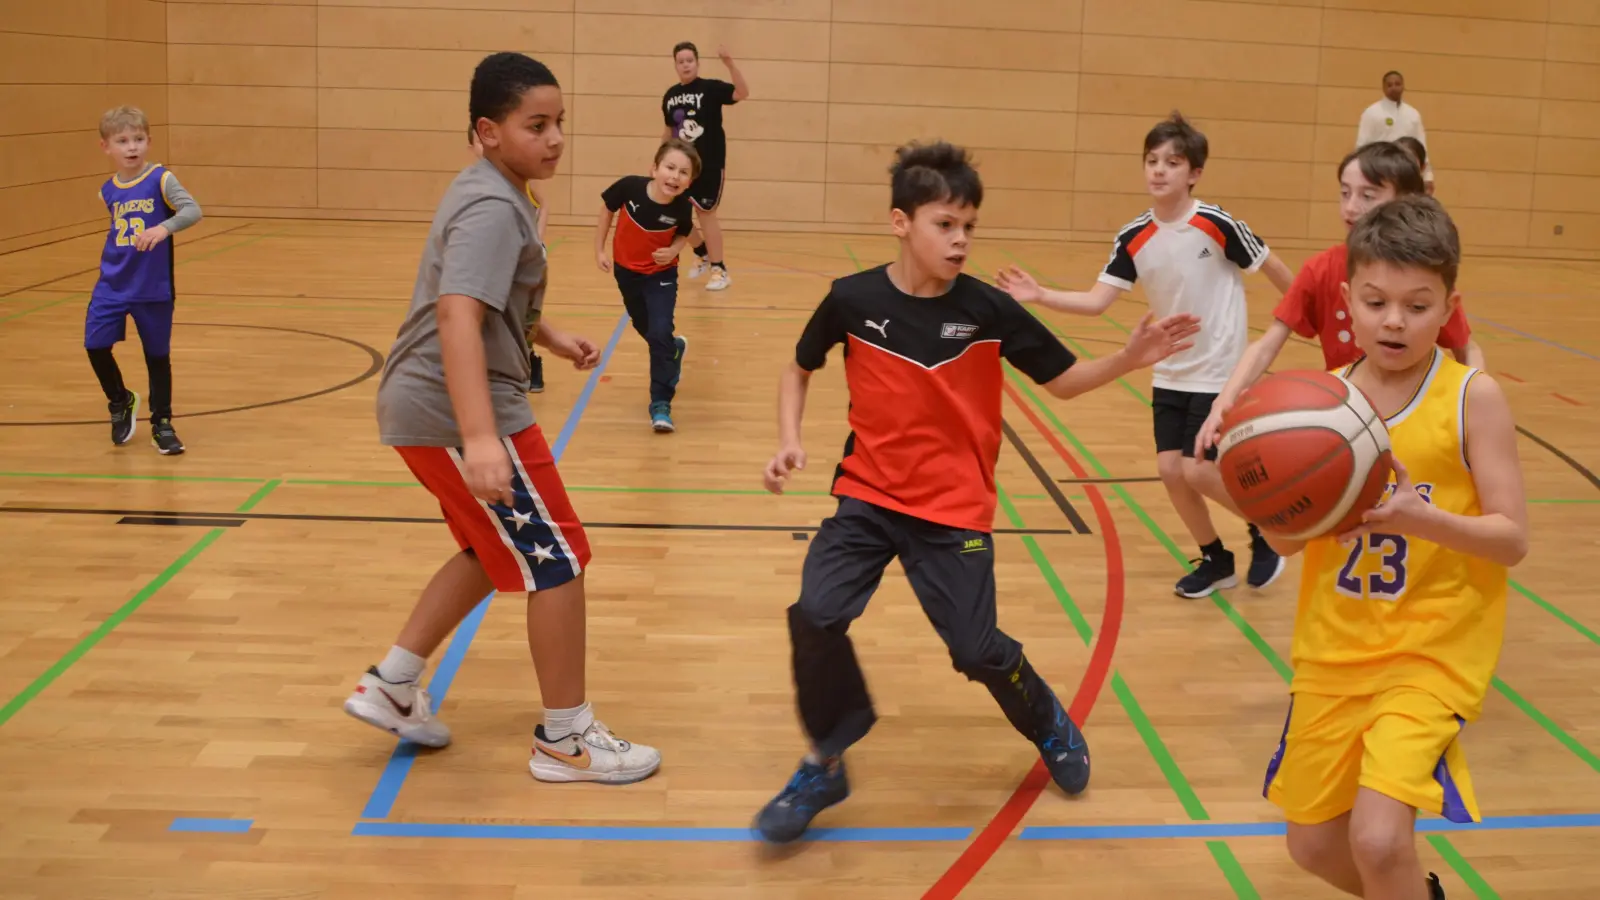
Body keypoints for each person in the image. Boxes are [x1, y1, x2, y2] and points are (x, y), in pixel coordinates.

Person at [752, 140, 1203, 843]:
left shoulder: (989, 311)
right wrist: (788, 438)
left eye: (969, 226)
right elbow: (798, 367)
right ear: (900, 222)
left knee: (975, 650)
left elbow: (1063, 381)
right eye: (945, 224)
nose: (960, 239)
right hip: (867, 495)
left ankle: (1047, 718)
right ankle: (826, 758)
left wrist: (1129, 357)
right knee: (815, 612)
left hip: (953, 509)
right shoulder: (851, 298)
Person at [344, 51, 660, 787]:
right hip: (457, 409)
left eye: (559, 125)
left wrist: (547, 335)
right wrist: (480, 436)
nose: (554, 139)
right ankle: (566, 740)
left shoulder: (499, 190)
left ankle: (392, 684)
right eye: (536, 125)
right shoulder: (492, 206)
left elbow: (488, 301)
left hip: (435, 405)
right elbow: (457, 314)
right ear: (487, 131)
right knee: (559, 560)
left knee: (494, 552)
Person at [1257, 194, 1528, 900]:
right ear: (1346, 301)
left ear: (1449, 307)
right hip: (1332, 650)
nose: (1395, 321)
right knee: (1313, 843)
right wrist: (1271, 497)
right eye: (1375, 302)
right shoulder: (1320, 403)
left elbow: (1512, 540)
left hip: (1432, 651)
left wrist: (1419, 518)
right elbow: (1282, 538)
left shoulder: (1473, 397)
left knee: (1378, 839)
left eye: (1417, 304)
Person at [996, 113, 1294, 599]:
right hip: (1171, 370)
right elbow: (1097, 302)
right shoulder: (1134, 236)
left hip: (1220, 370)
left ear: (1193, 173)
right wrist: (1041, 294)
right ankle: (1216, 561)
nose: (1159, 170)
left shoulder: (1216, 224)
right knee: (1169, 471)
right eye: (1152, 161)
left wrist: (1307, 311)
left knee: (1197, 468)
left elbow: (1273, 267)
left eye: (1172, 163)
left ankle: (1268, 529)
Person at [1194, 142, 1484, 457]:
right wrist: (1225, 399)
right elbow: (1266, 344)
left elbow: (1466, 346)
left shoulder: (1419, 280)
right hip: (1348, 419)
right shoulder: (1321, 270)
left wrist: (1474, 406)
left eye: (1367, 195)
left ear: (1406, 201)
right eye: (1345, 193)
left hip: (1417, 418)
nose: (1350, 207)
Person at [86, 104, 203, 455]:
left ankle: (162, 424)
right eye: (122, 141)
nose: (131, 147)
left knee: (156, 356)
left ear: (149, 141)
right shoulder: (107, 190)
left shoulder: (161, 179)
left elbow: (192, 210)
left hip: (152, 287)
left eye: (138, 139)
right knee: (94, 345)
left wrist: (163, 228)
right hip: (112, 283)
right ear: (106, 147)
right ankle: (120, 399)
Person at [594, 138, 699, 433]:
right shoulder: (629, 188)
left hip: (661, 275)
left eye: (683, 172)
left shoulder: (680, 207)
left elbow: (685, 233)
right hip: (626, 273)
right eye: (670, 167)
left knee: (659, 331)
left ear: (689, 181)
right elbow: (606, 209)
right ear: (654, 168)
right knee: (651, 333)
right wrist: (600, 249)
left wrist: (675, 250)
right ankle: (672, 351)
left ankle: (661, 403)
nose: (674, 176)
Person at [662, 41, 748, 292]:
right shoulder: (670, 96)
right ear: (676, 65)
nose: (686, 64)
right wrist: (659, 160)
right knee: (676, 212)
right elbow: (668, 130)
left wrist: (729, 63)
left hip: (709, 163)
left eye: (690, 60)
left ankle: (720, 269)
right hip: (681, 166)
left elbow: (742, 92)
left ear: (697, 63)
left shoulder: (710, 88)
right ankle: (702, 253)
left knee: (705, 214)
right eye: (681, 61)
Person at [470, 125, 547, 393]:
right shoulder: (474, 188)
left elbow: (542, 204)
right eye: (477, 144)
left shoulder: (518, 182)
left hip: (522, 257)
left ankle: (530, 360)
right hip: (491, 261)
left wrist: (537, 237)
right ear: (472, 147)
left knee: (523, 314)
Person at [1358, 71, 1432, 190]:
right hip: (1379, 170)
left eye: (1397, 84)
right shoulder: (1371, 113)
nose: (1394, 88)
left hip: (1407, 171)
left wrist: (1428, 176)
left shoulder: (1413, 114)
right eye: (1389, 85)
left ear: (1403, 86)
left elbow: (1422, 147)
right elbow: (1362, 145)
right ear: (1383, 88)